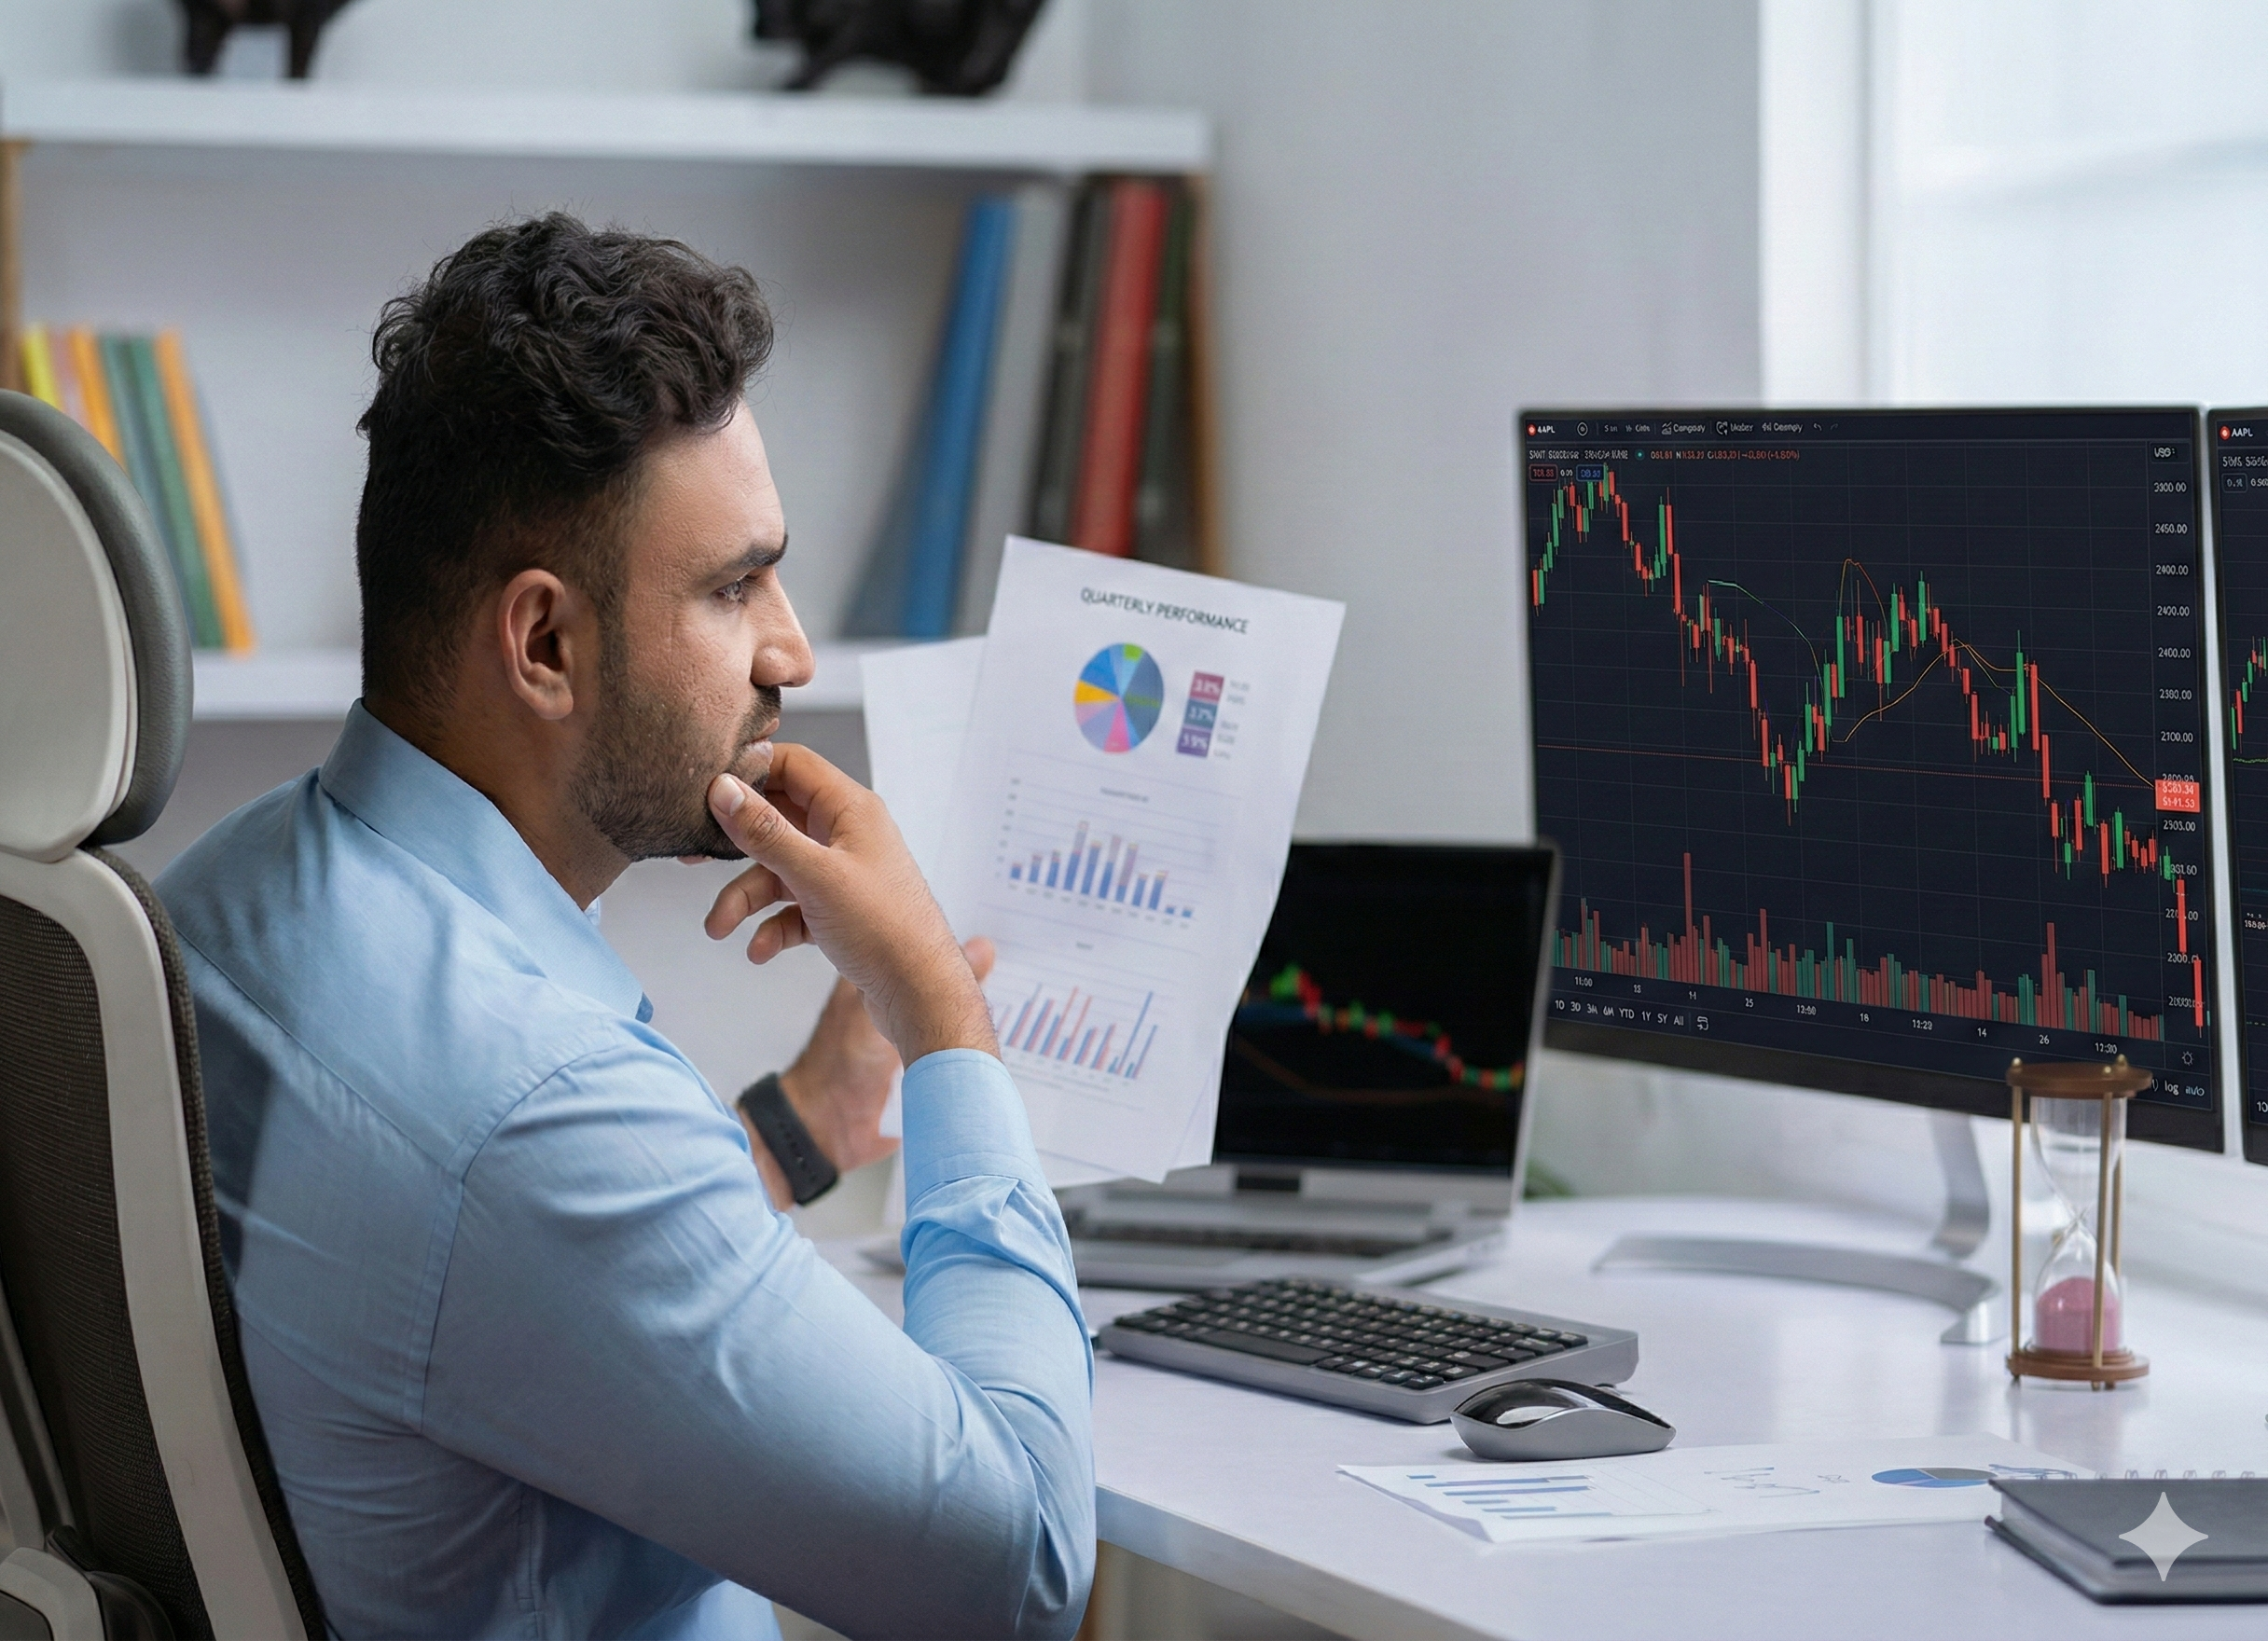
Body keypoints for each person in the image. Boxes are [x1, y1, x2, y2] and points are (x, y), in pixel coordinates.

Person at [156, 214, 1094, 1640]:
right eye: (733, 587)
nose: (791, 650)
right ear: (545, 645)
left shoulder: (223, 900)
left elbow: (486, 1280)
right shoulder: (530, 1102)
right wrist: (943, 1022)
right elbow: (1016, 1571)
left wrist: (805, 1122)